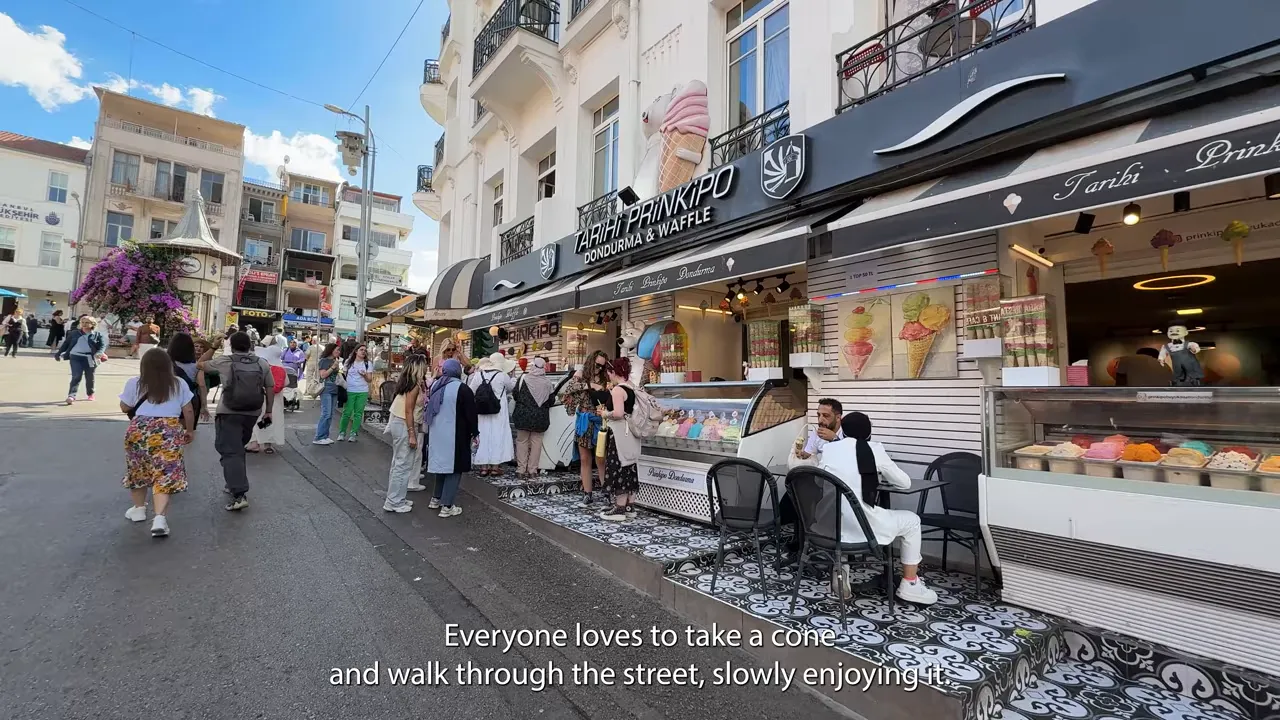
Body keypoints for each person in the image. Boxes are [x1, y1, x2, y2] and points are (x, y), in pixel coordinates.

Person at [818, 412, 938, 606]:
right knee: (912, 521)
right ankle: (910, 584)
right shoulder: (873, 449)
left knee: (847, 518)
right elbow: (904, 483)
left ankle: (842, 568)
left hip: (831, 526)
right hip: (865, 525)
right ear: (868, 432)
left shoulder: (830, 450)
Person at [119, 348, 195, 537]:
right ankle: (159, 518)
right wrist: (190, 430)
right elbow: (189, 411)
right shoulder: (179, 383)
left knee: (138, 469)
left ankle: (138, 509)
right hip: (168, 429)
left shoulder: (135, 383)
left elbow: (124, 407)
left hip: (139, 429)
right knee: (164, 473)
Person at [198, 331, 274, 511]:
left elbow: (199, 364)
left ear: (231, 346)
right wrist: (268, 411)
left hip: (229, 411)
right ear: (250, 345)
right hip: (253, 411)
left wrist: (214, 346)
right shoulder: (261, 363)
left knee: (230, 451)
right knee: (237, 449)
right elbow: (269, 387)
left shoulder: (226, 361)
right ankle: (233, 481)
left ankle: (239, 494)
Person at [425, 357, 479, 517]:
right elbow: (471, 414)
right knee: (455, 469)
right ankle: (447, 506)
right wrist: (475, 433)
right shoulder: (462, 388)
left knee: (440, 467)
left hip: (436, 432)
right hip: (456, 434)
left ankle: (436, 498)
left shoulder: (436, 385)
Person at [559, 350, 611, 507]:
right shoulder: (580, 374)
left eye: (602, 366)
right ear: (591, 361)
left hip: (600, 420)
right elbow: (567, 391)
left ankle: (606, 492)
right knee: (585, 458)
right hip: (584, 420)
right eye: (597, 365)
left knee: (601, 459)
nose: (599, 369)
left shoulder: (605, 377)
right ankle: (587, 493)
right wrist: (589, 385)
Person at [597, 357, 643, 521]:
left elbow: (618, 413)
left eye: (608, 373)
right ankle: (630, 506)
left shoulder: (618, 390)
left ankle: (619, 509)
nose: (608, 376)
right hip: (631, 433)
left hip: (619, 434)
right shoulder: (632, 387)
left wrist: (604, 414)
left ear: (613, 372)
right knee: (630, 466)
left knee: (619, 466)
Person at [382, 355, 428, 513]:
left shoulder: (408, 383)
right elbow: (409, 410)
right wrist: (411, 433)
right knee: (402, 464)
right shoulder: (414, 385)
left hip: (400, 422)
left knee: (399, 464)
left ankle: (397, 498)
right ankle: (394, 501)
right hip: (405, 424)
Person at [467, 352, 515, 475]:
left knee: (483, 436)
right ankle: (495, 467)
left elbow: (470, 391)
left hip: (482, 411)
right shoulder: (503, 375)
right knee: (497, 436)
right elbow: (510, 389)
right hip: (498, 411)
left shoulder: (478, 375)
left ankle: (484, 467)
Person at [511, 356, 555, 477]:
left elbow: (515, 394)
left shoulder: (523, 378)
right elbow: (551, 401)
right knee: (536, 443)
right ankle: (532, 470)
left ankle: (521, 469)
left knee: (522, 441)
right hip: (540, 417)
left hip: (523, 416)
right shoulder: (547, 382)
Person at [247, 334, 287, 454]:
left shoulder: (261, 364)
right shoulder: (280, 367)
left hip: (260, 397)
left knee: (257, 419)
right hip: (276, 400)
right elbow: (285, 383)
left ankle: (255, 442)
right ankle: (268, 444)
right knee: (271, 420)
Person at [55, 315, 108, 403]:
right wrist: (59, 353)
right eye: (83, 322)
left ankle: (90, 393)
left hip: (90, 358)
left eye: (87, 322)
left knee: (90, 377)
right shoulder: (74, 333)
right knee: (76, 376)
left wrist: (99, 353)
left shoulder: (97, 335)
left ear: (92, 324)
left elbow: (102, 346)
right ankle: (71, 395)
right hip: (75, 357)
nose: (84, 324)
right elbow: (66, 344)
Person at [167, 331, 210, 429]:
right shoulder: (196, 366)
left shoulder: (166, 364)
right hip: (190, 402)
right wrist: (204, 406)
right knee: (186, 431)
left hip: (169, 401)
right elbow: (202, 385)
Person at [789, 398, 845, 468]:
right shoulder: (816, 432)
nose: (820, 420)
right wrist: (798, 452)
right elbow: (807, 454)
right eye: (819, 415)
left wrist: (834, 439)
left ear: (838, 418)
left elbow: (848, 459)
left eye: (826, 416)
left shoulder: (847, 432)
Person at [338, 344, 373, 442]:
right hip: (350, 390)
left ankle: (353, 433)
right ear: (356, 351)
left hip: (362, 391)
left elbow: (369, 379)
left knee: (358, 413)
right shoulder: (349, 362)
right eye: (361, 350)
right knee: (347, 412)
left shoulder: (368, 363)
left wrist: (365, 375)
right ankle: (342, 432)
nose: (363, 352)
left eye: (365, 350)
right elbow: (343, 375)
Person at [312, 343, 342, 445]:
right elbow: (323, 375)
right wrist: (333, 367)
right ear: (331, 350)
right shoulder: (324, 361)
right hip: (326, 389)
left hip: (334, 389)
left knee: (330, 414)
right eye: (337, 350)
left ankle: (325, 435)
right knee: (326, 413)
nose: (339, 352)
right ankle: (318, 437)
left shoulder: (335, 361)